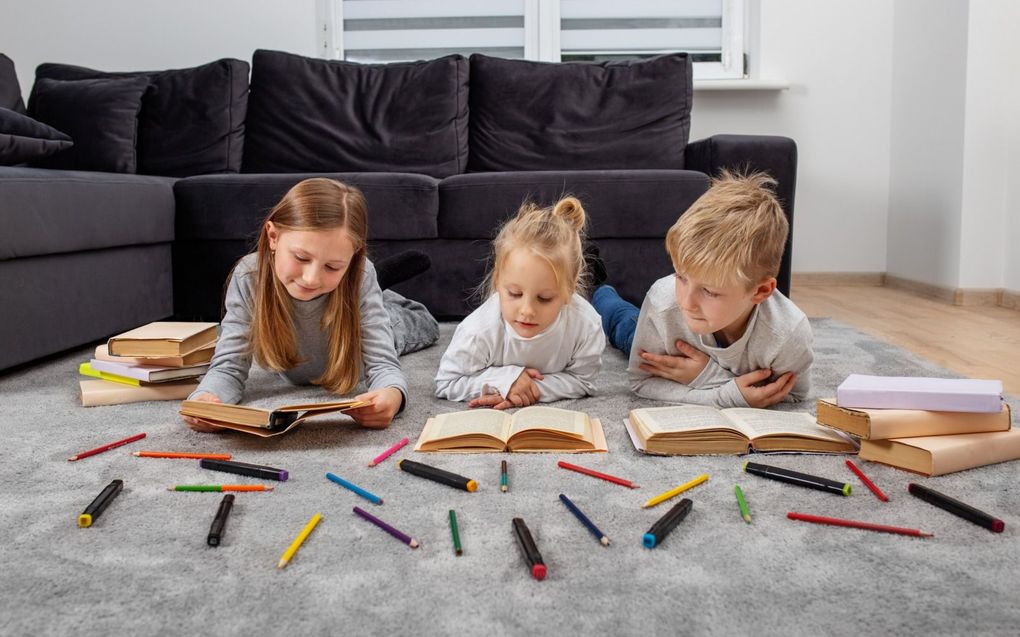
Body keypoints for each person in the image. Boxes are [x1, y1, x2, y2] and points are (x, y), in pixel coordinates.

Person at [183, 178, 439, 432]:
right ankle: (374, 285)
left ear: (352, 258)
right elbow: (228, 367)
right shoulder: (249, 276)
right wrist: (206, 398)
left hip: (365, 330)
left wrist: (392, 396)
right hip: (340, 297)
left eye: (332, 265)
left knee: (421, 323)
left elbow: (383, 365)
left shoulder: (359, 275)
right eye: (301, 257)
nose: (311, 278)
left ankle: (378, 291)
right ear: (273, 237)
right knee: (351, 286)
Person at [591, 170, 812, 408]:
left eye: (709, 291)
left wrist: (708, 376)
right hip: (666, 338)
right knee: (624, 324)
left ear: (760, 291)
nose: (687, 302)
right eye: (681, 277)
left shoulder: (788, 333)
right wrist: (721, 391)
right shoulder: (664, 302)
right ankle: (599, 289)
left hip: (678, 348)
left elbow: (795, 397)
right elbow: (641, 383)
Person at [435, 196, 606, 409]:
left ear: (569, 290)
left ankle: (606, 296)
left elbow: (583, 381)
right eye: (515, 294)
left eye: (544, 298)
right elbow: (446, 382)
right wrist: (504, 381)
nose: (527, 311)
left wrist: (527, 389)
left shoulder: (586, 326)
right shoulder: (478, 330)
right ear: (498, 280)